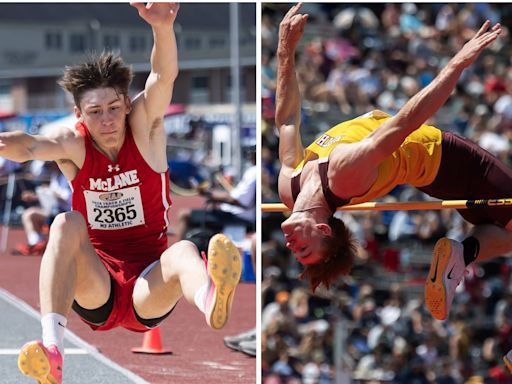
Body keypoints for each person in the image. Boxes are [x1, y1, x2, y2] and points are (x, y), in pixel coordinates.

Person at [2, 4, 241, 383]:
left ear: (127, 104)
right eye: (95, 112)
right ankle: (52, 351)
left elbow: (162, 77)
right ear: (80, 115)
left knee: (183, 251)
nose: (108, 119)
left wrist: (163, 27)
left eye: (114, 107)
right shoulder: (73, 144)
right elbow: (29, 147)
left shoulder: (145, 129)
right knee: (65, 223)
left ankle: (211, 299)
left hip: (150, 283)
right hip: (97, 284)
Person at [275, 3, 512, 369]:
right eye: (305, 250)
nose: (292, 248)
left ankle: (461, 256)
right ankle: (460, 260)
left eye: (297, 252)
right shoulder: (343, 173)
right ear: (322, 229)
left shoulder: (289, 187)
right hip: (450, 161)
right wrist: (457, 65)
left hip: (436, 177)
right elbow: (407, 121)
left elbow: (287, 118)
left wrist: (285, 50)